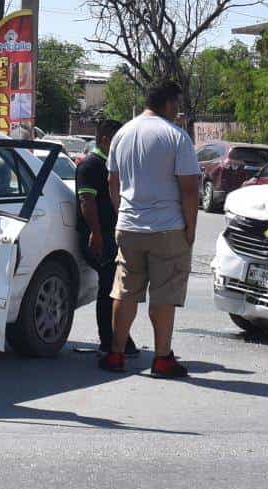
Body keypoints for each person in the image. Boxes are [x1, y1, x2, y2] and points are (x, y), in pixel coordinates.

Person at [100, 80, 201, 378]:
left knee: (125, 290)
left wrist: (123, 214)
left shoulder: (122, 134)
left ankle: (116, 354)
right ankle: (162, 359)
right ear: (168, 103)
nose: (178, 110)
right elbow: (190, 189)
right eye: (176, 104)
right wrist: (191, 227)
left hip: (129, 226)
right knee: (164, 294)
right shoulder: (176, 137)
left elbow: (112, 183)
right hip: (167, 229)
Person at [74, 118, 137, 357]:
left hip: (112, 235)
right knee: (109, 288)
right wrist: (96, 234)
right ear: (104, 140)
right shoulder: (91, 166)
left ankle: (118, 338)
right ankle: (109, 341)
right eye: (117, 140)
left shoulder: (111, 165)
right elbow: (86, 201)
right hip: (99, 237)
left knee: (115, 287)